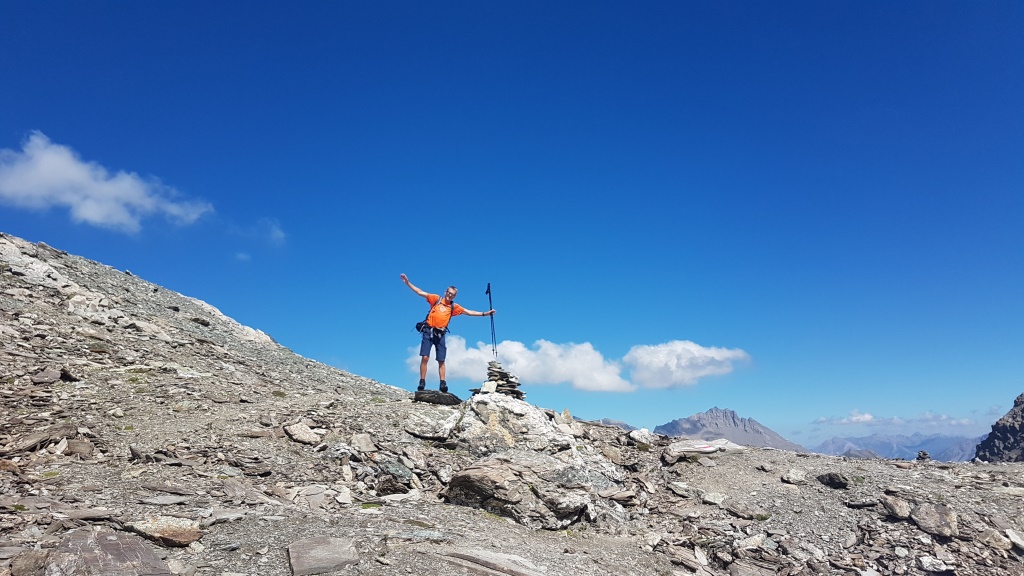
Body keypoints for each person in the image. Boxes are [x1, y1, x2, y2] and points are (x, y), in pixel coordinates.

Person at [400, 273, 495, 393]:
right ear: (445, 292)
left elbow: (468, 312)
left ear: (454, 296)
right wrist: (407, 283)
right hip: (428, 331)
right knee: (425, 357)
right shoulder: (436, 299)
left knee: (441, 360)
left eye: (452, 294)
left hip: (440, 334)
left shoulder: (454, 307)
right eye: (449, 293)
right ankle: (422, 382)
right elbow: (420, 292)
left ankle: (443, 383)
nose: (450, 295)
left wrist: (485, 314)